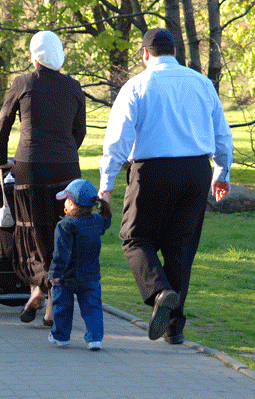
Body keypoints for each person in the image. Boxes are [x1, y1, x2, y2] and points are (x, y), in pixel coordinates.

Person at [99, 28, 233, 344]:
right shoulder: (202, 83)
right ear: (174, 52)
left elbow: (118, 141)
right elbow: (222, 134)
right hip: (195, 171)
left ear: (145, 54)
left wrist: (106, 185)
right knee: (181, 247)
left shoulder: (136, 86)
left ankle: (159, 292)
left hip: (152, 171)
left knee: (135, 237)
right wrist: (222, 172)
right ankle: (175, 328)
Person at [0, 30, 86, 325]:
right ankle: (46, 297)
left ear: (34, 56)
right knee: (61, 234)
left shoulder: (23, 83)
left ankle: (40, 293)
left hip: (31, 167)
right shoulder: (73, 87)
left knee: (32, 233)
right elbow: (79, 132)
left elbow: (2, 128)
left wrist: (1, 162)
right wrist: (64, 152)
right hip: (67, 170)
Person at [48, 179, 112, 351]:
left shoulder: (65, 225)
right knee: (92, 308)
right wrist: (105, 202)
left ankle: (61, 337)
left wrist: (54, 272)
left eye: (66, 200)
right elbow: (106, 221)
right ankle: (95, 338)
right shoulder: (97, 221)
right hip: (90, 276)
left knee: (62, 307)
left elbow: (61, 252)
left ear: (71, 203)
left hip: (66, 277)